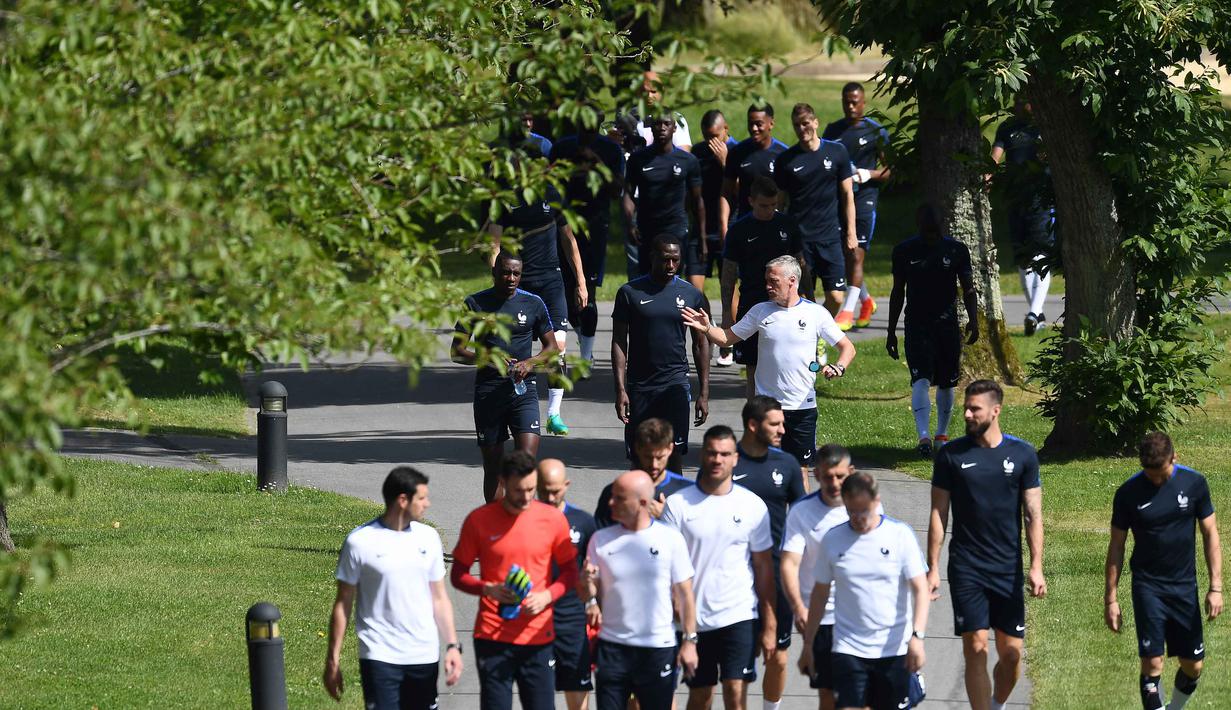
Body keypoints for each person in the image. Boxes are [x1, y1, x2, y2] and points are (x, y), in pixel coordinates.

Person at [928, 380, 1046, 710]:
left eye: (974, 409)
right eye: (966, 407)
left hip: (1007, 568)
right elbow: (938, 513)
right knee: (976, 647)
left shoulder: (1022, 454)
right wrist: (932, 568)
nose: (966, 413)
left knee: (1011, 656)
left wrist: (1036, 566)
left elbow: (1033, 514)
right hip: (966, 567)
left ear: (996, 411)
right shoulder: (951, 455)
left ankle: (996, 704)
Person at [682, 255, 855, 476]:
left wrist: (838, 367)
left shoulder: (815, 313)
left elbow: (847, 347)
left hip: (802, 408)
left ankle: (794, 511)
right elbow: (726, 338)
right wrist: (706, 328)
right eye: (767, 281)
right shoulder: (760, 311)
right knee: (761, 468)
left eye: (774, 281)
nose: (768, 286)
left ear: (792, 281)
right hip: (766, 408)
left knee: (799, 471)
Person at [324, 467, 463, 709]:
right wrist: (333, 659)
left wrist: (452, 645)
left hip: (423, 654)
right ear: (402, 500)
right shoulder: (360, 541)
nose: (427, 504)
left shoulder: (429, 538)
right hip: (379, 655)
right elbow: (343, 602)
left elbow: (439, 598)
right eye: (422, 498)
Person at [450, 451, 580, 710]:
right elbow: (458, 575)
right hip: (492, 636)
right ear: (502, 482)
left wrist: (547, 596)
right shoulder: (479, 520)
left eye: (532, 489)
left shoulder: (552, 519)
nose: (526, 497)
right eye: (519, 490)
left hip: (538, 637)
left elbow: (570, 573)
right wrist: (488, 589)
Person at [661, 425, 777, 710]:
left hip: (738, 615)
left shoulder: (752, 506)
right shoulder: (677, 505)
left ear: (735, 458)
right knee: (700, 696)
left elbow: (763, 568)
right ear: (703, 456)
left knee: (735, 694)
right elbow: (666, 566)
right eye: (712, 453)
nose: (717, 460)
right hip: (693, 619)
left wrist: (770, 623)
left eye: (725, 454)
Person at [1105, 432, 1222, 710]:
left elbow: (1210, 535)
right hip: (1148, 587)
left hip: (1184, 586)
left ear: (1174, 458)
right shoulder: (1127, 493)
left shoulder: (1194, 484)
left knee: (1193, 665)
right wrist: (1111, 598)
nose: (1156, 480)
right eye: (1150, 474)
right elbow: (1117, 546)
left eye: (1162, 473)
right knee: (1152, 662)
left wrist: (1215, 587)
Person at [799, 471, 929, 710]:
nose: (858, 518)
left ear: (876, 501)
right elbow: (820, 594)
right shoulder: (833, 539)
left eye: (864, 511)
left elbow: (921, 589)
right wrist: (808, 644)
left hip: (893, 649)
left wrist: (917, 637)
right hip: (848, 648)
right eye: (852, 511)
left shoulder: (900, 535)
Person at [582, 470, 700, 710]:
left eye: (619, 498)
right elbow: (588, 593)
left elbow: (686, 594)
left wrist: (689, 641)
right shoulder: (600, 539)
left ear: (643, 503)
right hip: (612, 649)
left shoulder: (670, 539)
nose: (610, 502)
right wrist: (587, 586)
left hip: (657, 648)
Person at [453, 252, 560, 502]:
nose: (511, 278)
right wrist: (486, 357)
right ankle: (495, 524)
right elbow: (456, 351)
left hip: (523, 391)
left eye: (516, 273)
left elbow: (552, 347)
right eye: (505, 272)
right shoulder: (475, 304)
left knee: (526, 462)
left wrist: (529, 363)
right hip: (489, 392)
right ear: (494, 273)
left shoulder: (533, 303)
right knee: (493, 468)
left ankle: (523, 519)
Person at [488, 179, 588, 437]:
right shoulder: (505, 198)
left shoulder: (552, 193)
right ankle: (509, 407)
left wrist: (581, 281)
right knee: (511, 349)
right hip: (518, 281)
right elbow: (494, 244)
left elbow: (569, 240)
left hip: (551, 282)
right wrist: (496, 277)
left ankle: (554, 414)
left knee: (559, 346)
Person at [781, 445, 872, 710]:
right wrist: (798, 607)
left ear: (851, 472)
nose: (834, 483)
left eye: (840, 476)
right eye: (827, 476)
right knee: (829, 697)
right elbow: (789, 562)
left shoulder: (867, 505)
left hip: (861, 616)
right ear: (816, 474)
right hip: (822, 618)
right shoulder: (801, 512)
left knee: (862, 697)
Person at [885, 204, 979, 458]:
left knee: (948, 382)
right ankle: (923, 436)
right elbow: (897, 291)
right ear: (918, 225)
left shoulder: (957, 250)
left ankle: (941, 435)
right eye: (927, 232)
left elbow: (968, 288)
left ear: (943, 226)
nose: (931, 237)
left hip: (947, 325)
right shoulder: (904, 251)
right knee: (921, 378)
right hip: (917, 324)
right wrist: (891, 330)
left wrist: (974, 319)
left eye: (935, 232)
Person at [731, 396, 805, 710]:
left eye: (783, 423)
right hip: (734, 575)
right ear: (753, 425)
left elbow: (803, 517)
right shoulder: (726, 460)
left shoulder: (786, 464)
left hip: (776, 572)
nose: (782, 430)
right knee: (739, 663)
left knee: (777, 656)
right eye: (775, 424)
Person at [612, 235, 710, 474]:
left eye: (675, 260)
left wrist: (704, 392)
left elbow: (701, 343)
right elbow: (619, 342)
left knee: (674, 455)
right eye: (665, 260)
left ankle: (672, 509)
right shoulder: (629, 292)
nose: (670, 266)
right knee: (640, 457)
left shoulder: (692, 295)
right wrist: (621, 389)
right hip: (640, 386)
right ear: (652, 257)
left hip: (674, 385)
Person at [551, 113, 627, 375]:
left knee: (588, 291)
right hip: (563, 223)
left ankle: (585, 356)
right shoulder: (562, 148)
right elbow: (549, 184)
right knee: (566, 290)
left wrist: (596, 163)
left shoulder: (610, 149)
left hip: (596, 226)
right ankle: (578, 335)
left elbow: (618, 190)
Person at [720, 178, 806, 399]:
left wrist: (809, 298)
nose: (770, 210)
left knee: (786, 361)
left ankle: (785, 411)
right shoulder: (739, 230)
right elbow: (728, 274)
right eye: (764, 206)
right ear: (751, 202)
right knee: (753, 366)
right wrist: (726, 315)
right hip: (752, 303)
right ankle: (754, 415)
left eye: (774, 205)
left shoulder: (787, 225)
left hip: (787, 305)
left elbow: (801, 264)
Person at [773, 103, 857, 311]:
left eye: (805, 123)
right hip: (801, 240)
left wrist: (851, 232)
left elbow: (848, 194)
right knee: (801, 297)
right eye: (797, 125)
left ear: (816, 123)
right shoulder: (786, 160)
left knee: (837, 297)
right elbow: (780, 203)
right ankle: (811, 339)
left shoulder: (837, 152)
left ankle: (818, 330)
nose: (802, 129)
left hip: (830, 237)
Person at [822, 83, 892, 330]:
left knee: (856, 253)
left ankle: (847, 311)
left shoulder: (876, 132)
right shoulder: (833, 131)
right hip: (840, 199)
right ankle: (866, 300)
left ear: (863, 102)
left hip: (865, 199)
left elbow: (889, 170)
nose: (850, 106)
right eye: (846, 102)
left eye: (855, 102)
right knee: (844, 254)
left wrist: (867, 174)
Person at [537, 459, 599, 710]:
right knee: (539, 699)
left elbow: (594, 568)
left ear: (567, 485)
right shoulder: (524, 519)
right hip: (535, 621)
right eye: (544, 490)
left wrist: (594, 602)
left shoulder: (583, 522)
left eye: (556, 490)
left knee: (577, 697)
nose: (550, 497)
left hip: (572, 620)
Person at [991, 96, 1055, 335]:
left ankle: (1033, 312)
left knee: (1041, 253)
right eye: (1015, 102)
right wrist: (989, 173)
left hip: (1040, 198)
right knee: (1023, 257)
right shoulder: (1007, 127)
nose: (1017, 106)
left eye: (1022, 102)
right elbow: (995, 156)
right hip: (1015, 198)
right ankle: (1036, 314)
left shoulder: (1045, 127)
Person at [623, 109, 706, 278]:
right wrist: (629, 225)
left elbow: (697, 201)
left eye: (667, 124)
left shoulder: (687, 161)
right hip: (646, 229)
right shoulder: (638, 159)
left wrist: (701, 238)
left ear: (674, 128)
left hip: (676, 228)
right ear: (651, 128)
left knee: (673, 277)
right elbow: (628, 195)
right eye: (657, 124)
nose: (662, 128)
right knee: (646, 278)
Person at [593, 417, 694, 529]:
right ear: (637, 448)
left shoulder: (688, 492)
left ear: (670, 449)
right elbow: (600, 539)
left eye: (660, 457)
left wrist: (666, 516)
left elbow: (697, 540)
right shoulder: (615, 493)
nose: (654, 465)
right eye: (648, 457)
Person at [691, 109, 739, 297]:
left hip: (730, 225)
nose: (711, 142)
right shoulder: (698, 151)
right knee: (694, 287)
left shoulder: (737, 151)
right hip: (702, 226)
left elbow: (744, 193)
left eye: (715, 136)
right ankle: (707, 325)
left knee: (728, 287)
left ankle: (731, 326)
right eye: (706, 136)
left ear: (725, 129)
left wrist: (726, 163)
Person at [724, 103, 789, 218]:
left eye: (759, 124)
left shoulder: (783, 154)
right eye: (750, 124)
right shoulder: (738, 152)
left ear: (771, 123)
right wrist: (724, 226)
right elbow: (726, 192)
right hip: (745, 221)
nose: (754, 129)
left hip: (774, 223)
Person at [635, 70, 693, 150]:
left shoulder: (673, 118)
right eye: (645, 92)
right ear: (638, 92)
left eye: (653, 91)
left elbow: (684, 155)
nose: (649, 96)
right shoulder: (629, 117)